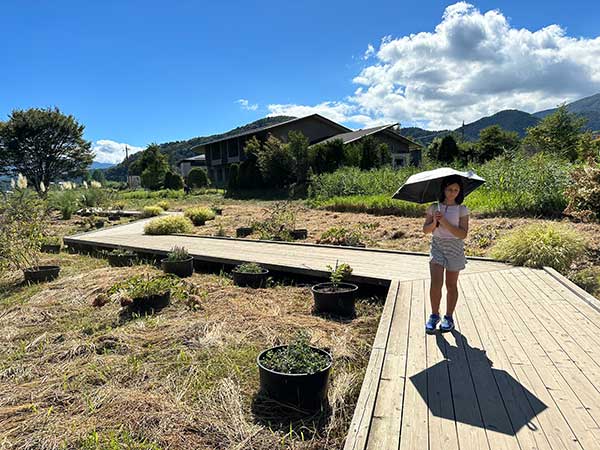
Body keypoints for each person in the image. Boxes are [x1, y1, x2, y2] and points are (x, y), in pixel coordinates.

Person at [422, 175, 469, 334]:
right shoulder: (434, 208)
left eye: (456, 190)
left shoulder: (462, 209)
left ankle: (448, 317)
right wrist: (435, 222)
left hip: (455, 247)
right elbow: (426, 230)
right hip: (437, 246)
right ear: (444, 189)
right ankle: (434, 315)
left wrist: (445, 223)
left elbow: (462, 234)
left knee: (451, 285)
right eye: (449, 189)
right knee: (436, 283)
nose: (452, 193)